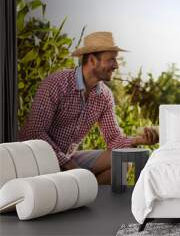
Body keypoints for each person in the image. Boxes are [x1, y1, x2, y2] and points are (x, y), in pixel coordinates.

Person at [18, 31, 159, 184]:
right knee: (80, 171)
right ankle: (81, 187)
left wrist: (139, 140)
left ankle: (88, 193)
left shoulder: (104, 96)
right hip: (38, 159)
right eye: (111, 59)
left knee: (125, 157)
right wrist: (69, 165)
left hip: (70, 158)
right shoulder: (56, 84)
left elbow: (113, 139)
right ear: (92, 60)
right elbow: (34, 132)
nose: (116, 65)